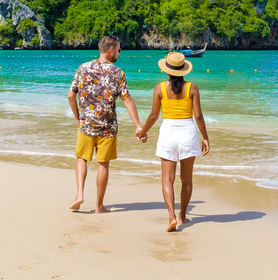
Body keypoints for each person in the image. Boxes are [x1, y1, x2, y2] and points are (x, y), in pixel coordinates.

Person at [67, 34, 143, 213]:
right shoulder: (118, 72)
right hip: (107, 128)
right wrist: (138, 126)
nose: (119, 53)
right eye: (118, 49)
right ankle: (99, 206)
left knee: (81, 159)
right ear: (111, 50)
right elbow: (127, 100)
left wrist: (78, 118)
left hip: (86, 125)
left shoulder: (83, 68)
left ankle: (79, 194)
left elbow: (71, 95)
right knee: (103, 164)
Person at [138, 51, 210, 232]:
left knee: (167, 179)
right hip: (188, 132)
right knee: (186, 180)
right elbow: (199, 116)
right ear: (184, 70)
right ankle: (182, 216)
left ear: (167, 70)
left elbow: (154, 115)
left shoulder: (159, 88)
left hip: (168, 132)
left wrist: (142, 132)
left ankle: (171, 217)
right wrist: (206, 138)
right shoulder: (192, 88)